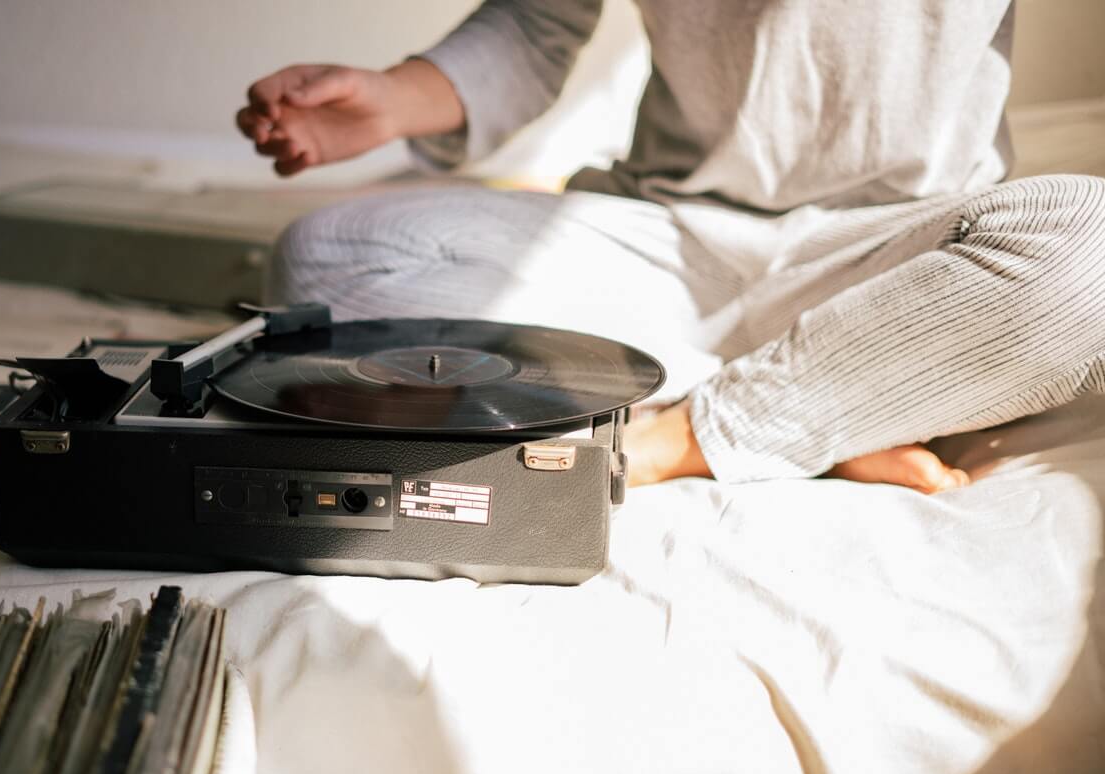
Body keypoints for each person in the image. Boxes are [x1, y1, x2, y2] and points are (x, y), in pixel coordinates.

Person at [236, 1, 1105, 493]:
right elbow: (537, 23)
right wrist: (393, 97)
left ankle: (695, 432)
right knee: (330, 256)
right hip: (672, 239)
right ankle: (832, 406)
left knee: (1095, 246)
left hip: (898, 252)